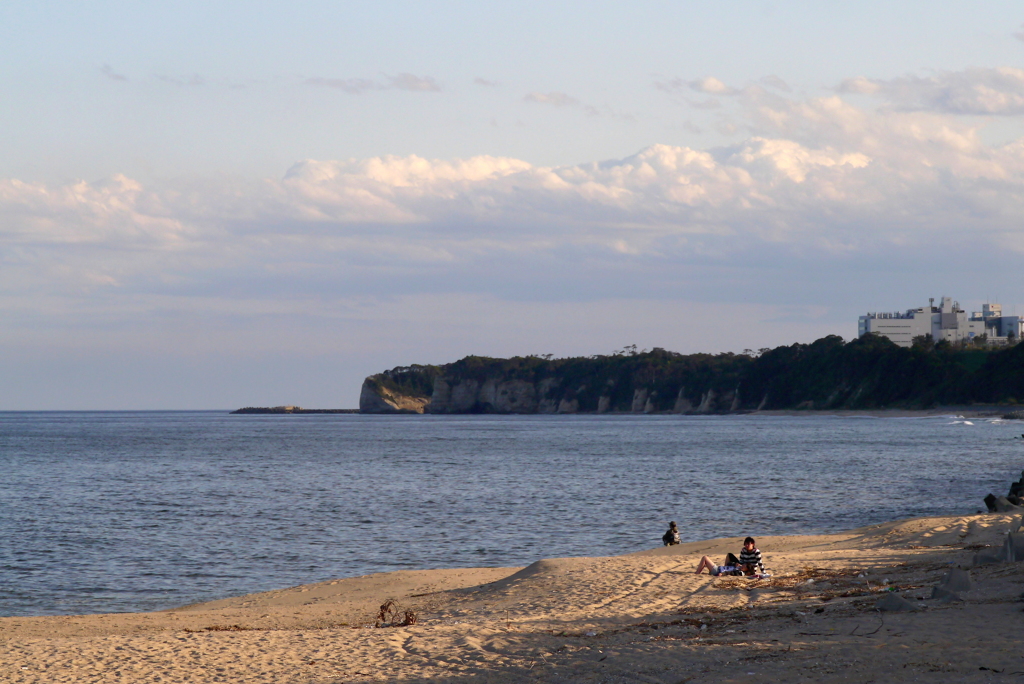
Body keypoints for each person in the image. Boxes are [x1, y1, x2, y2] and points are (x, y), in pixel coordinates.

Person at [695, 537, 766, 576]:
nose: (746, 546)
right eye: (745, 544)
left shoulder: (756, 551)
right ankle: (726, 568)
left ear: (753, 544)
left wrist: (764, 573)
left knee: (705, 558)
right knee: (729, 555)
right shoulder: (743, 550)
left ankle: (697, 573)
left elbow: (760, 563)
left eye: (748, 544)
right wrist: (737, 564)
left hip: (750, 568)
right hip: (742, 566)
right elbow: (741, 560)